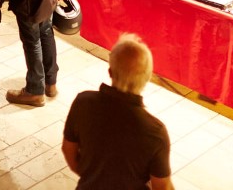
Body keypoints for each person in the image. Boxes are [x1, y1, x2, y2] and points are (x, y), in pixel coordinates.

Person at [62, 33, 174, 190]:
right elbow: (162, 187)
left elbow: (68, 150)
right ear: (147, 78)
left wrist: (93, 178)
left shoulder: (83, 102)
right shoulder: (155, 132)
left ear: (110, 71)